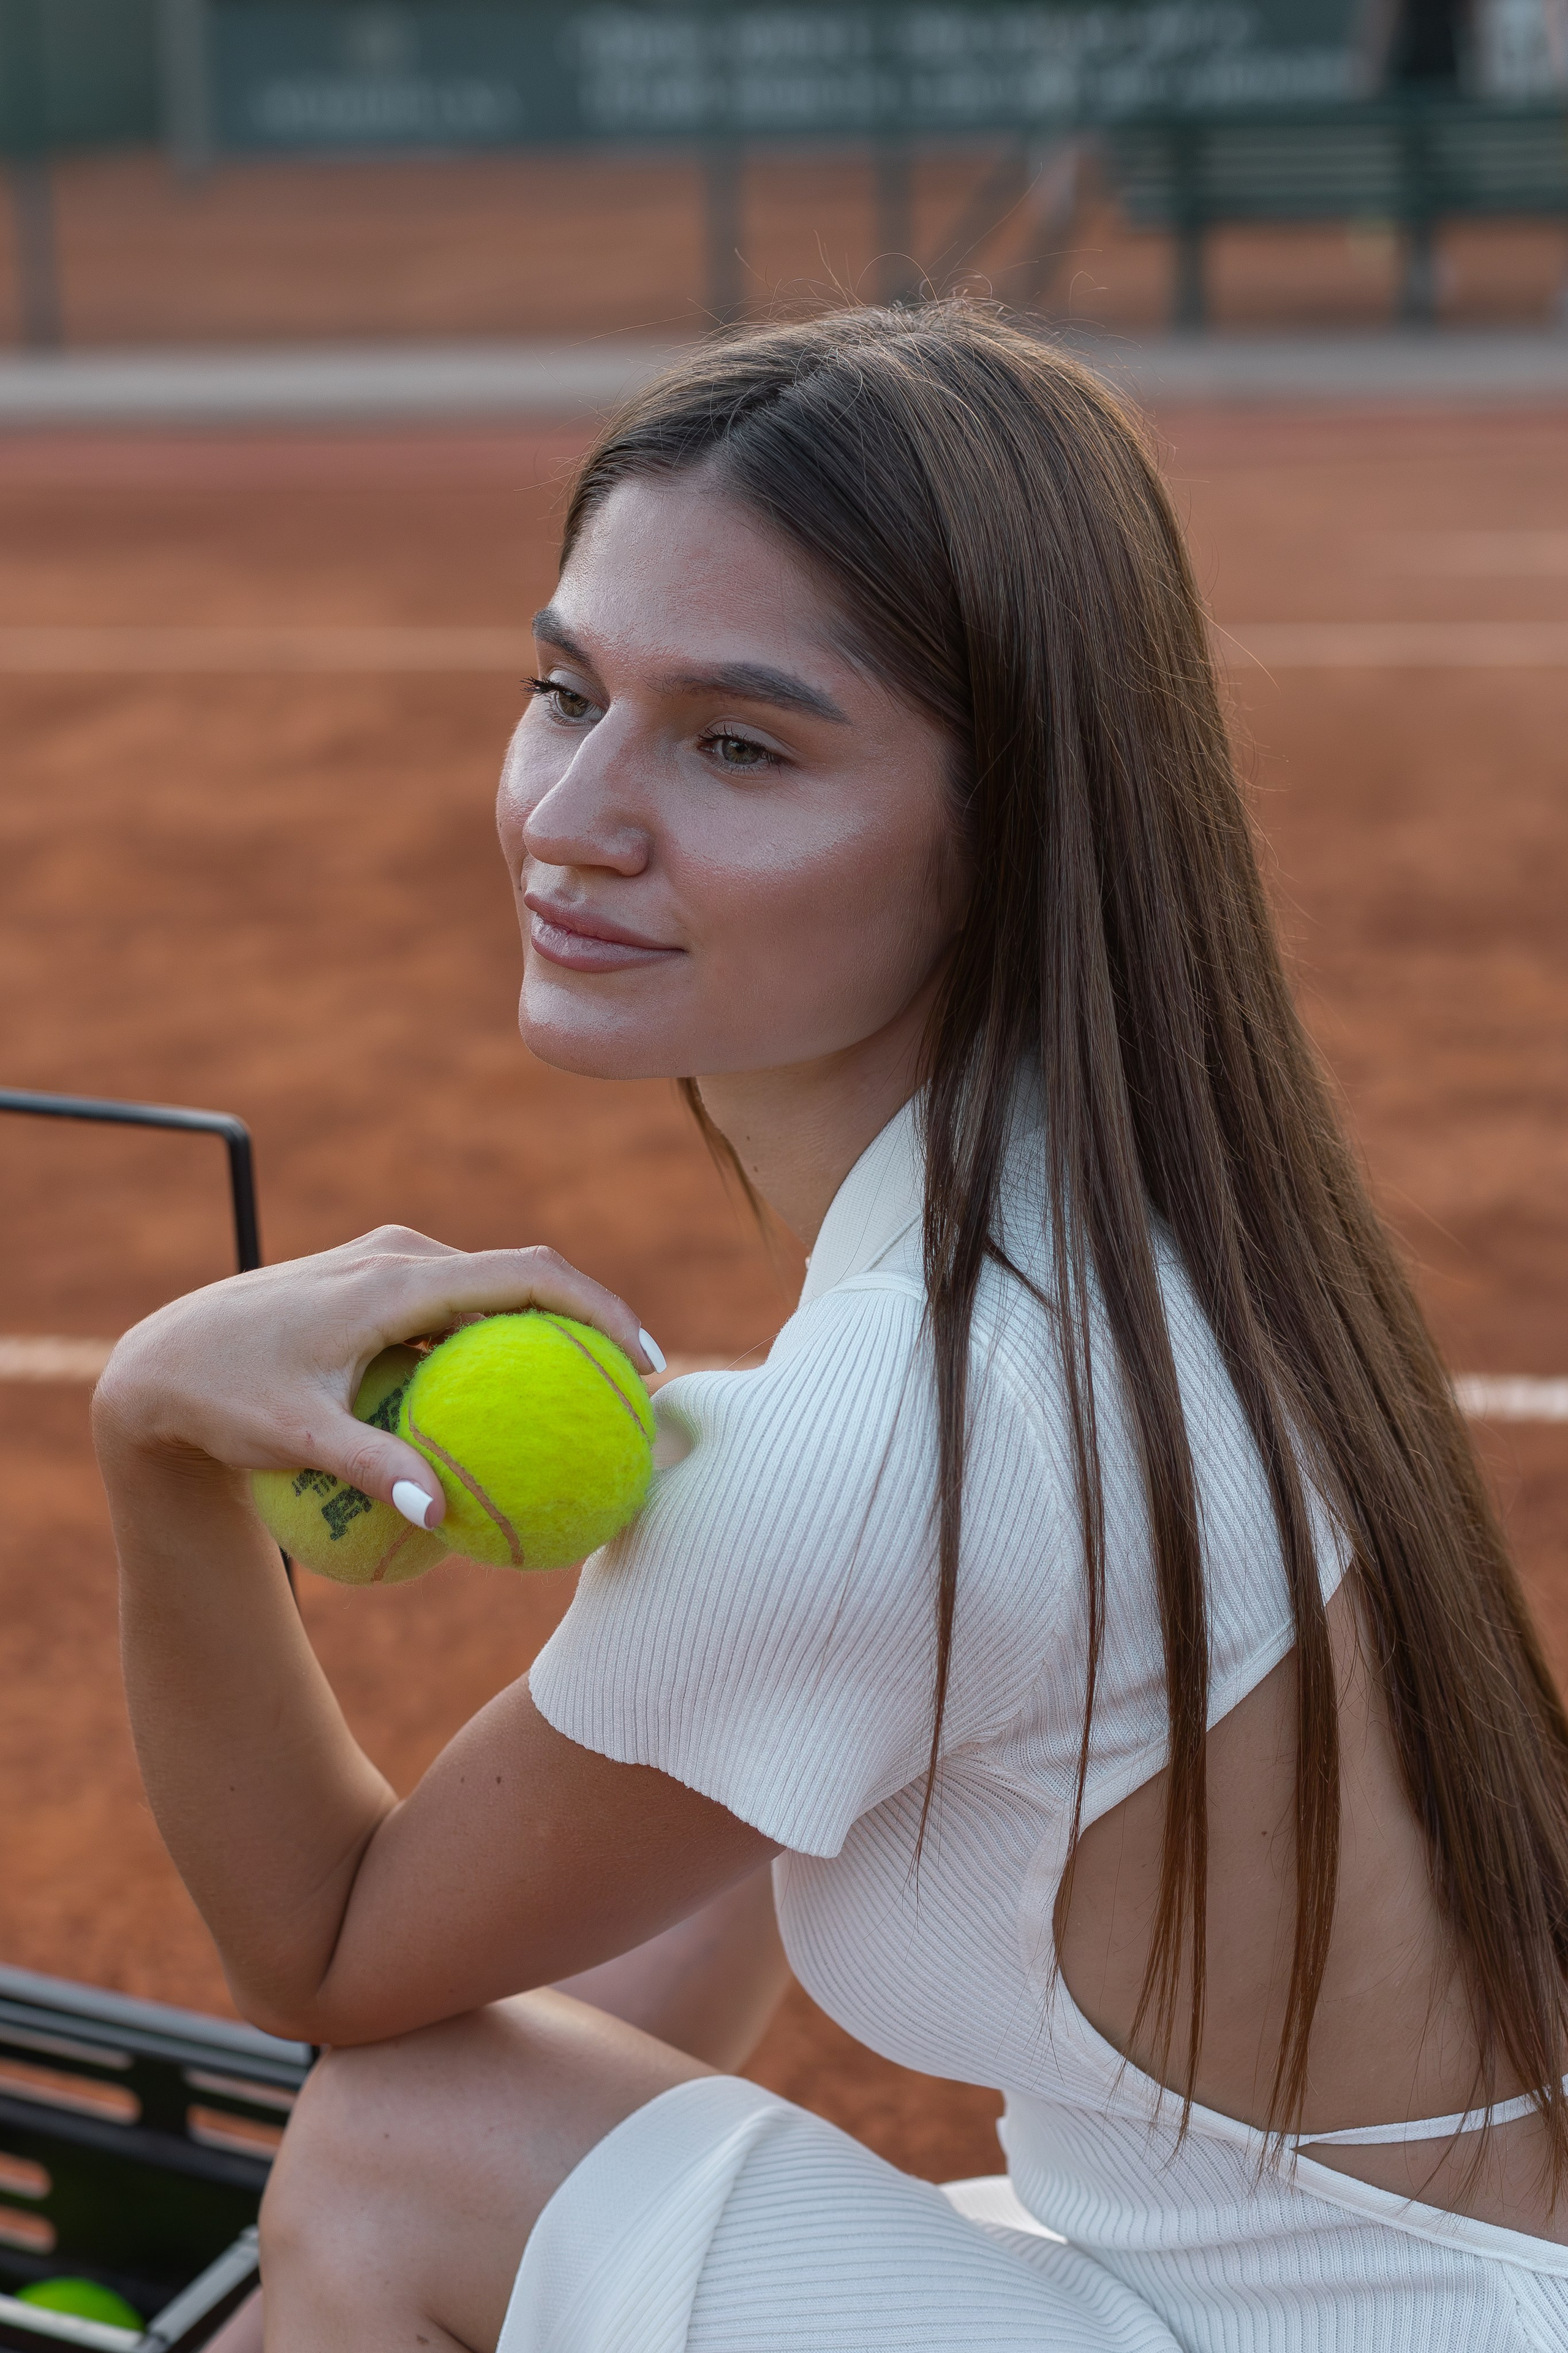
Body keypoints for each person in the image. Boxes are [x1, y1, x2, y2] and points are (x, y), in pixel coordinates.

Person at [94, 304, 1568, 2352]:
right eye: (563, 689)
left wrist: (156, 1440)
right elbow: (651, 1933)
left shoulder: (900, 1434)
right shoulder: (1146, 1227)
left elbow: (339, 1959)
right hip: (1425, 2297)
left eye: (739, 742)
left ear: (1009, 829)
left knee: (399, 2147)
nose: (573, 815)